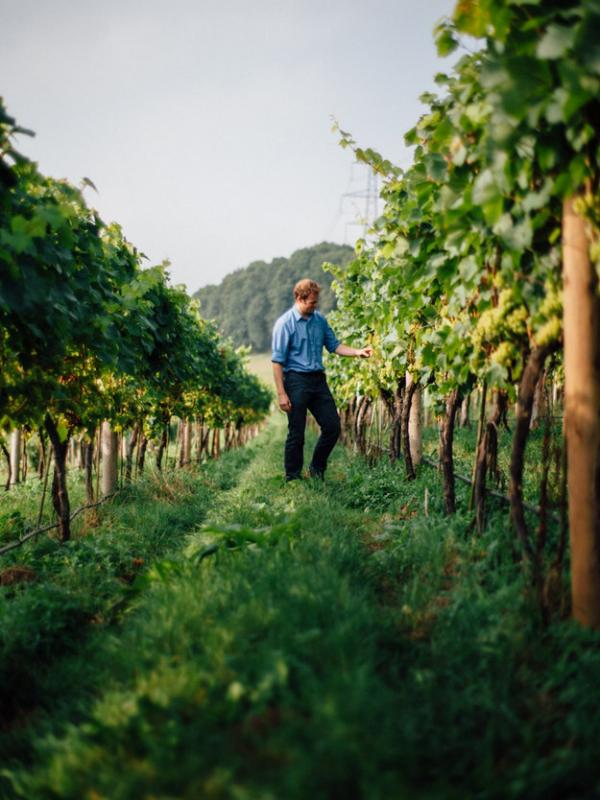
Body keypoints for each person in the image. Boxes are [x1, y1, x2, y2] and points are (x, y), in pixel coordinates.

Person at [271, 278, 372, 482]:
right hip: (296, 380)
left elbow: (334, 345)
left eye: (316, 301)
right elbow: (277, 362)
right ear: (299, 298)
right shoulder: (285, 324)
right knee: (296, 433)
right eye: (311, 302)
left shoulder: (319, 320)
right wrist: (282, 393)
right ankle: (293, 478)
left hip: (318, 381)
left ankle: (316, 470)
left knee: (332, 427)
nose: (315, 305)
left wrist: (357, 352)